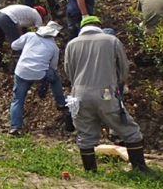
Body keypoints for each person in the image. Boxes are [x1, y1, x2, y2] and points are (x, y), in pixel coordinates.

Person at [65, 16, 154, 174]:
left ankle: (90, 172)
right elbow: (123, 67)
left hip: (78, 95)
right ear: (99, 25)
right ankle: (140, 168)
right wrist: (116, 83)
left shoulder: (71, 44)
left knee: (85, 133)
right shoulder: (111, 41)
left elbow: (69, 70)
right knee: (129, 130)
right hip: (105, 92)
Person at [9, 21, 70, 136]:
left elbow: (14, 46)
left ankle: (15, 127)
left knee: (17, 99)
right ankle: (60, 102)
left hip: (22, 72)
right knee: (55, 77)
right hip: (40, 74)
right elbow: (52, 67)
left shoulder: (29, 36)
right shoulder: (54, 48)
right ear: (55, 35)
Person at [0, 5, 45, 70]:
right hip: (5, 18)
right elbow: (39, 33)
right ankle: (16, 69)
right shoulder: (37, 15)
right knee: (17, 45)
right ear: (41, 13)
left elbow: (19, 29)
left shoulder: (25, 13)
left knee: (0, 39)